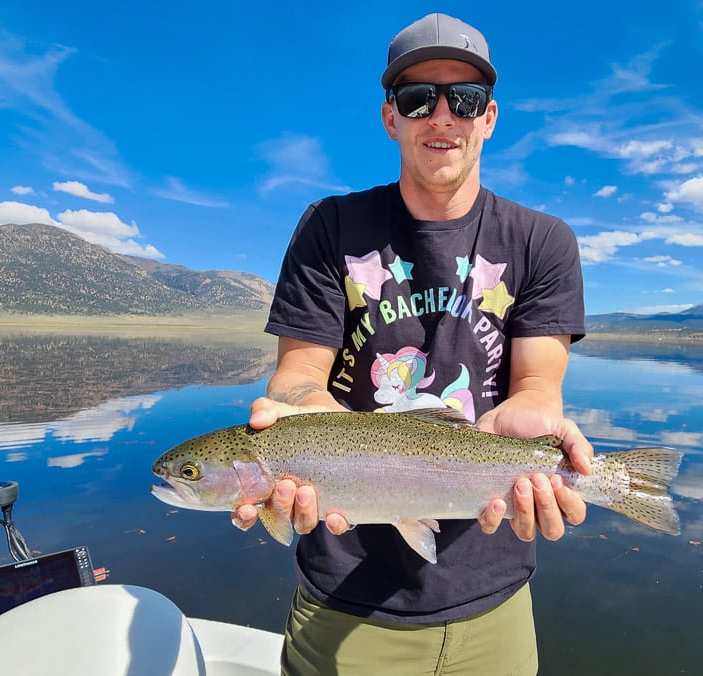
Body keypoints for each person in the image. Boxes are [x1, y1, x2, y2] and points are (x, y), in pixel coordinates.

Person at [235, 13, 591, 675]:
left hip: (495, 589)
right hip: (343, 592)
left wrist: (539, 414)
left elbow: (539, 382)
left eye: (465, 100)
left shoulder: (543, 241)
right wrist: (302, 421)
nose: (442, 117)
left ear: (489, 118)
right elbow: (297, 378)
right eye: (417, 99)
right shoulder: (329, 226)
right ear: (390, 118)